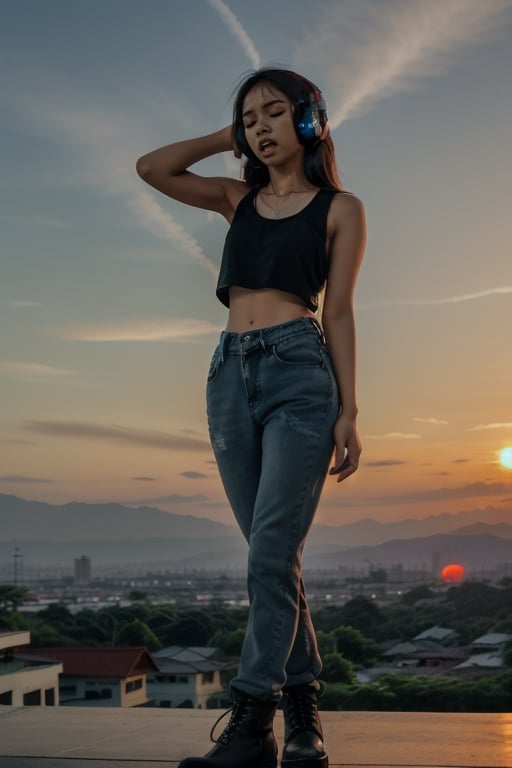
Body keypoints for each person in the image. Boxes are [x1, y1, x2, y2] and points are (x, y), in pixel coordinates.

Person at [136, 67, 366, 768]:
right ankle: (303, 715)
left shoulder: (340, 208)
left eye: (275, 113)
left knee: (268, 556)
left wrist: (350, 409)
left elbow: (342, 310)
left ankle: (248, 725)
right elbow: (153, 167)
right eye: (249, 119)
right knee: (276, 562)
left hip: (301, 373)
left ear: (309, 121)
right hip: (228, 377)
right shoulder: (236, 200)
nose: (261, 128)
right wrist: (223, 134)